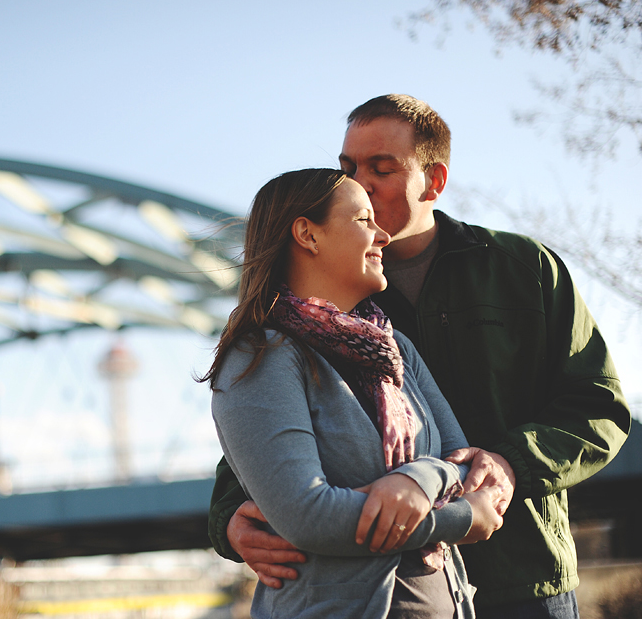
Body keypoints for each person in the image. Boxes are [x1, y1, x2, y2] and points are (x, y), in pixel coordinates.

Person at [208, 95, 632, 619]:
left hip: (522, 575)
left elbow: (598, 407)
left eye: (381, 169)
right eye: (348, 170)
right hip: (375, 586)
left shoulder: (521, 269)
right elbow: (266, 437)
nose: (360, 182)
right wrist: (228, 518)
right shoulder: (327, 307)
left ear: (433, 181)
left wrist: (508, 464)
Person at [206, 168, 504, 618]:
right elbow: (310, 515)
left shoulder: (396, 348)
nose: (383, 235)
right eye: (364, 219)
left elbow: (461, 462)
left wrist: (416, 480)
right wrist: (458, 519)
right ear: (307, 234)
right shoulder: (261, 357)